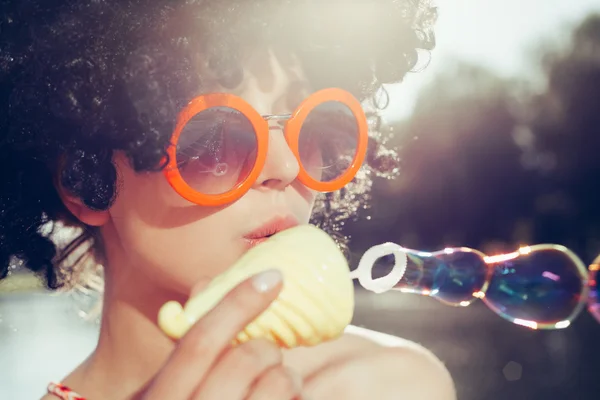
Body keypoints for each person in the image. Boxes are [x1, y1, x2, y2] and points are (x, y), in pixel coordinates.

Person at [0, 1, 456, 399]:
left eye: (312, 126)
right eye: (215, 138)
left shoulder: (384, 385)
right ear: (86, 182)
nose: (286, 167)